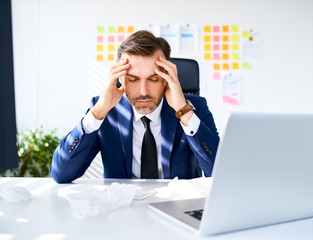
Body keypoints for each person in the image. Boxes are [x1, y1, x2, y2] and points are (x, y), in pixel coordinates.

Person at [51, 30, 220, 183]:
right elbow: (61, 174)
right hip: (123, 207)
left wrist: (184, 111)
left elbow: (219, 173)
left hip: (176, 208)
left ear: (167, 78)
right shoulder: (104, 108)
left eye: (153, 79)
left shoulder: (194, 107)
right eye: (133, 79)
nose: (143, 91)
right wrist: (98, 112)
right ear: (121, 78)